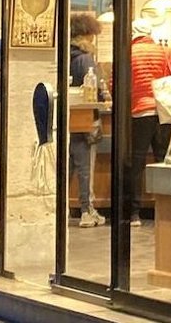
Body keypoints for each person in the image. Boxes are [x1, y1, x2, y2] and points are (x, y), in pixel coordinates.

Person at [127, 12, 171, 225]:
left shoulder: (128, 53)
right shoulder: (165, 52)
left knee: (137, 162)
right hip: (163, 112)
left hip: (140, 112)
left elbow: (115, 83)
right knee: (163, 160)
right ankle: (165, 210)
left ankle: (134, 213)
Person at [68, 11, 107, 227]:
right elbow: (96, 91)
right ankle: (87, 210)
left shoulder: (66, 55)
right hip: (86, 118)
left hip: (69, 120)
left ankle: (60, 208)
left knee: (68, 168)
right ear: (87, 35)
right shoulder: (86, 58)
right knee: (85, 168)